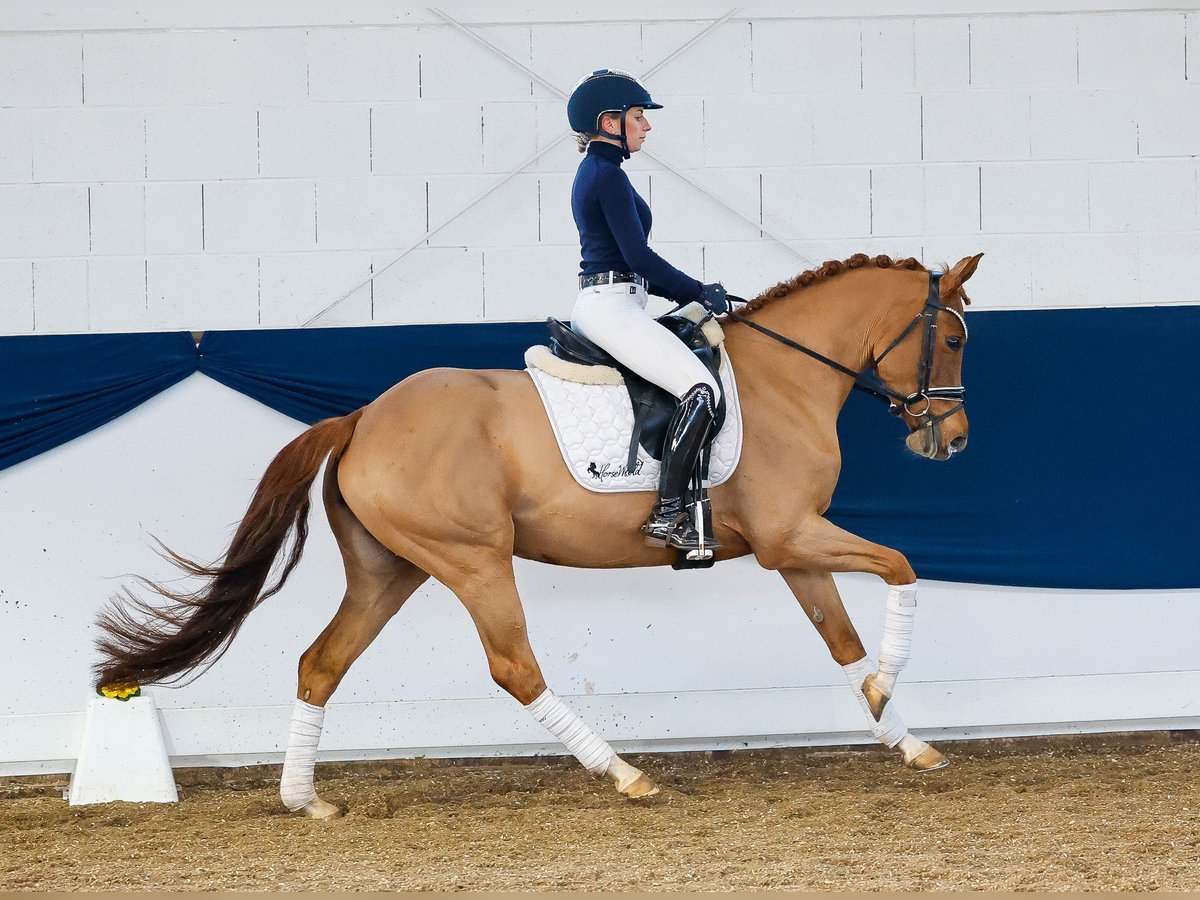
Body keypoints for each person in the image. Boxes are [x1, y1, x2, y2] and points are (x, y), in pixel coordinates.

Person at [566, 68, 730, 553]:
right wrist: (697, 290)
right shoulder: (607, 176)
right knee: (700, 390)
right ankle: (668, 515)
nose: (646, 125)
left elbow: (630, 265)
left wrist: (685, 296)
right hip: (610, 307)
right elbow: (638, 259)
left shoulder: (600, 172)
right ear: (610, 121)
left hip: (620, 301)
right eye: (638, 116)